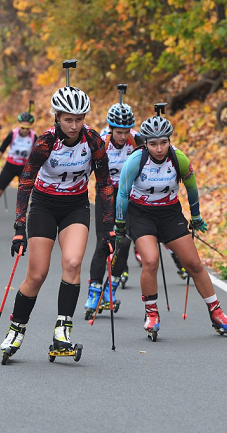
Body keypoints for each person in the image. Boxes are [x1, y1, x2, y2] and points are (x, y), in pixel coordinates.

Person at [0, 84, 115, 360]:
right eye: (68, 119)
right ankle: (16, 329)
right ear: (57, 118)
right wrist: (19, 228)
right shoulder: (45, 142)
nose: (74, 125)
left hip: (75, 206)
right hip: (44, 205)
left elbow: (105, 184)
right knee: (37, 274)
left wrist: (109, 228)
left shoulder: (94, 142)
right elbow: (25, 181)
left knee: (73, 263)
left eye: (79, 119)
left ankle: (62, 333)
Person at [116, 113, 227, 341]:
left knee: (193, 263)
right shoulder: (136, 160)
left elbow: (191, 188)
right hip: (140, 214)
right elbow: (123, 193)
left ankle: (217, 313)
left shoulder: (178, 158)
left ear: (169, 141)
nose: (159, 148)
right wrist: (120, 224)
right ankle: (152, 313)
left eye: (164, 142)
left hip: (169, 213)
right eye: (153, 144)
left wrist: (196, 216)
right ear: (146, 143)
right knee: (151, 260)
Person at [83, 99, 142, 319]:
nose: (122, 136)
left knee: (124, 242)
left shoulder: (136, 141)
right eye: (118, 131)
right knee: (104, 242)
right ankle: (93, 291)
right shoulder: (102, 141)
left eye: (126, 131)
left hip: (127, 196)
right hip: (106, 195)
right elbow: (87, 168)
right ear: (111, 128)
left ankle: (111, 289)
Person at [0, 111, 37, 232]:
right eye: (22, 127)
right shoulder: (13, 134)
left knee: (25, 195)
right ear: (19, 124)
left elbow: (37, 153)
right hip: (10, 166)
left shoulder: (33, 136)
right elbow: (2, 148)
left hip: (24, 168)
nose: (25, 130)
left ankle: (23, 222)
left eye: (27, 128)